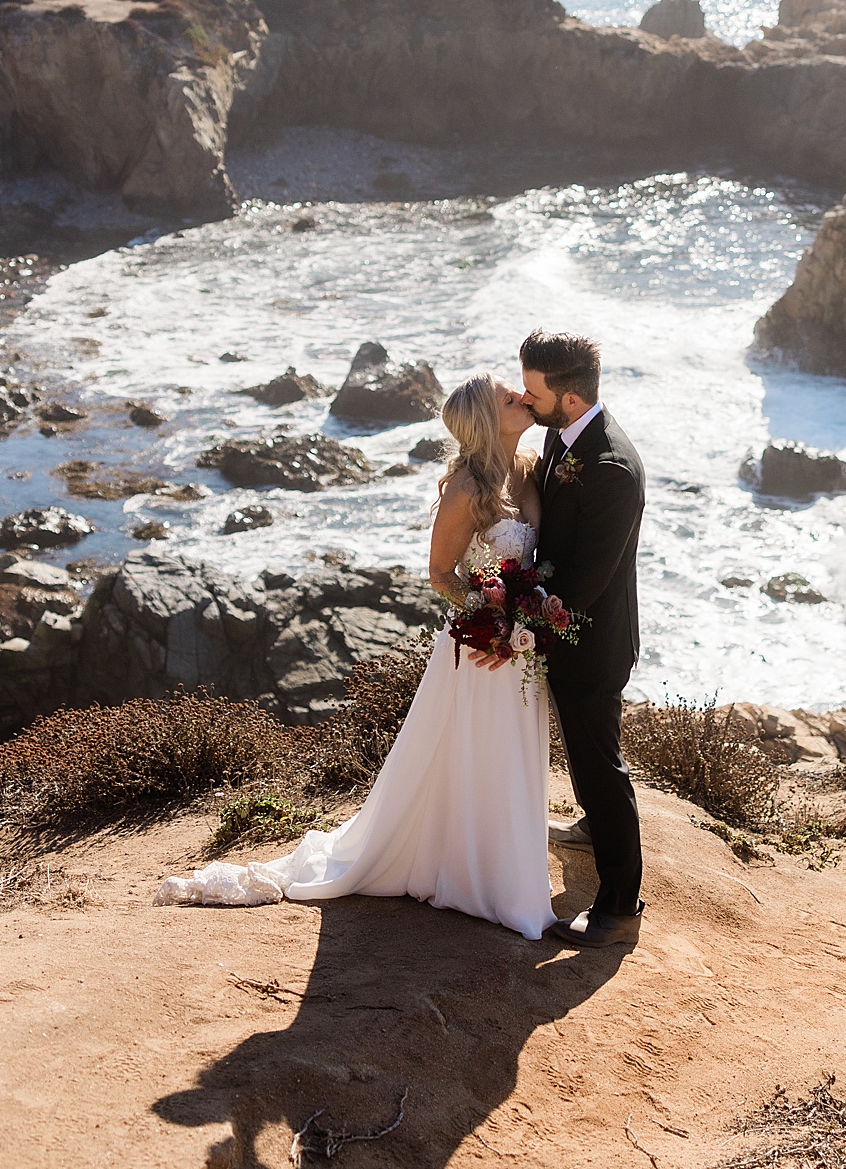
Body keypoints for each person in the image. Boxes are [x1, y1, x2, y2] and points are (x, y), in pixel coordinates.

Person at [156, 373, 560, 938]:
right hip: (480, 647)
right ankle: (478, 879)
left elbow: (544, 554)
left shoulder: (526, 468)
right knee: (476, 754)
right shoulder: (466, 489)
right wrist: (492, 615)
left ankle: (505, 875)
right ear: (486, 421)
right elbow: (440, 574)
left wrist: (531, 611)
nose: (522, 397)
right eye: (507, 397)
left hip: (518, 649)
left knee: (509, 756)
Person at [519, 329, 648, 948]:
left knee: (600, 762)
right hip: (566, 630)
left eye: (532, 391)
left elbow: (587, 581)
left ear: (569, 398)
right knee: (584, 752)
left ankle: (621, 907)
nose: (524, 399)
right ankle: (595, 826)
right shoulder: (558, 434)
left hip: (592, 641)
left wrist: (522, 610)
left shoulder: (611, 469)